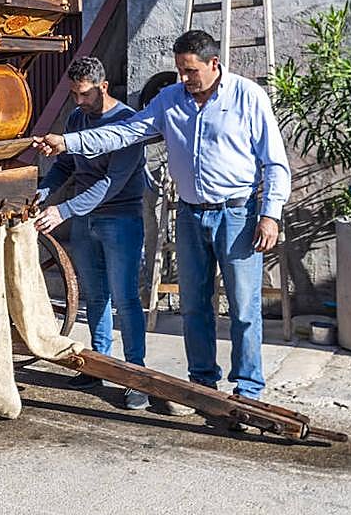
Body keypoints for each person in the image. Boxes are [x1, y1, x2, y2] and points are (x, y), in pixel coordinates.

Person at [32, 30, 291, 409]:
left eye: (191, 71)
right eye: (180, 71)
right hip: (189, 215)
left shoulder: (248, 97)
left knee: (243, 306)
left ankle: (248, 389)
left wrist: (270, 215)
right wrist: (68, 142)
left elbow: (275, 162)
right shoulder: (170, 100)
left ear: (213, 64)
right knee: (194, 305)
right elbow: (124, 133)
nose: (184, 79)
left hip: (238, 214)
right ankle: (202, 385)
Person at [33, 56, 149, 411]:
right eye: (73, 94)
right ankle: (98, 363)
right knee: (95, 296)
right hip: (85, 220)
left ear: (103, 87)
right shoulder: (76, 118)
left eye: (84, 95)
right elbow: (65, 164)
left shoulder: (129, 122)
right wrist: (43, 191)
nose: (78, 102)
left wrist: (63, 210)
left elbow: (110, 184)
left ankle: (135, 375)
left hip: (119, 217)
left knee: (125, 298)